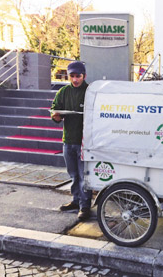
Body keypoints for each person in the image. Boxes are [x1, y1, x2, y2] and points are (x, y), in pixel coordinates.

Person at [50, 61, 92, 220]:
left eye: (78, 76)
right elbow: (55, 109)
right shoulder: (63, 91)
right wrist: (55, 116)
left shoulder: (90, 91)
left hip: (84, 141)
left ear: (84, 76)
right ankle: (76, 200)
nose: (75, 80)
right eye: (72, 76)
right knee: (73, 174)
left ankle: (85, 206)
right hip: (67, 140)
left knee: (83, 176)